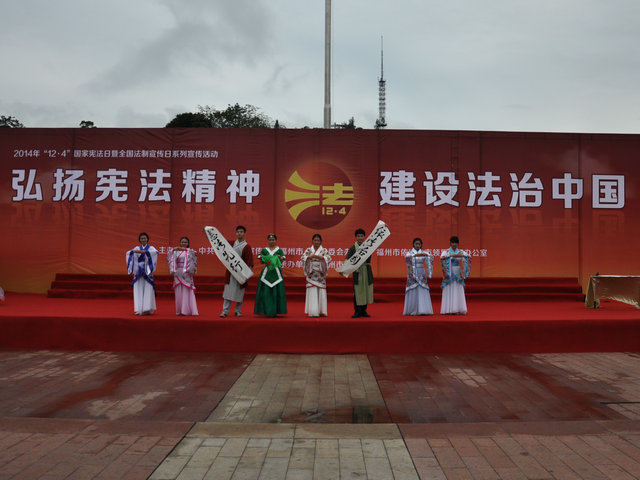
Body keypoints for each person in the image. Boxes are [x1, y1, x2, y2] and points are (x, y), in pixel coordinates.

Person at [221, 225, 254, 317]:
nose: (239, 233)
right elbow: (219, 243)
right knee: (228, 292)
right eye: (238, 232)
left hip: (241, 273)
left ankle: (238, 311)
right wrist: (210, 235)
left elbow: (249, 261)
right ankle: (225, 311)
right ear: (236, 233)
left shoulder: (247, 246)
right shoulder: (231, 244)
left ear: (244, 233)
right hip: (231, 272)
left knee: (240, 293)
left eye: (241, 232)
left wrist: (246, 274)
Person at [254, 233, 287, 317]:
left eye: (273, 240)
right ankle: (266, 310)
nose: (271, 241)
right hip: (266, 273)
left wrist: (279, 257)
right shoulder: (265, 250)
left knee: (277, 292)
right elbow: (261, 260)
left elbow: (282, 260)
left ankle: (275, 310)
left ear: (276, 240)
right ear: (267, 241)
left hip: (276, 272)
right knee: (265, 293)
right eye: (270, 240)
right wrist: (265, 258)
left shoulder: (279, 250)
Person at [126, 232, 158, 315]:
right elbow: (129, 253)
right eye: (141, 238)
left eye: (144, 238)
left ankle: (147, 309)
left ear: (147, 239)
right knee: (138, 289)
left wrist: (145, 252)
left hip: (147, 272)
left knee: (148, 289)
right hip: (138, 272)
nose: (143, 239)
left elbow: (155, 253)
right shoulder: (136, 248)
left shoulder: (151, 248)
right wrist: (134, 252)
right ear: (139, 240)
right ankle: (139, 309)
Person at [301, 233, 332, 317]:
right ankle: (313, 311)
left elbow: (329, 258)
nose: (316, 242)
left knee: (321, 291)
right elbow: (303, 257)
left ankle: (321, 311)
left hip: (320, 274)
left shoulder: (324, 250)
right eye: (315, 240)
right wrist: (309, 257)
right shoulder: (308, 250)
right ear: (312, 241)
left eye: (318, 240)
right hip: (311, 274)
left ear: (321, 241)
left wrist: (322, 258)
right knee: (312, 291)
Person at [346, 228, 374, 318]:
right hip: (357, 272)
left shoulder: (368, 246)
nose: (360, 238)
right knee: (358, 292)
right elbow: (347, 259)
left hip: (366, 270)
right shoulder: (352, 248)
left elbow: (377, 241)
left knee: (366, 291)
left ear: (364, 237)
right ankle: (357, 311)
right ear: (356, 237)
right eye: (358, 236)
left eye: (362, 236)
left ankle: (364, 311)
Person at [167, 236, 199, 316]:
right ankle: (179, 310)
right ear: (180, 243)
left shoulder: (190, 251)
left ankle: (187, 310)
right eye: (182, 242)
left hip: (186, 273)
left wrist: (185, 250)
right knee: (178, 290)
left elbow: (194, 255)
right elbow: (169, 255)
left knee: (186, 290)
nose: (184, 243)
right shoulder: (176, 251)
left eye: (185, 242)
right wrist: (173, 250)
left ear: (188, 243)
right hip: (178, 272)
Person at [440, 236, 471, 314]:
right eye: (453, 242)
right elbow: (442, 258)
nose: (454, 244)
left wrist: (464, 256)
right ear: (450, 243)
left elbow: (468, 257)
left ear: (458, 244)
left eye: (456, 243)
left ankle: (458, 309)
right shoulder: (446, 251)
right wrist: (449, 256)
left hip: (457, 271)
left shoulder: (461, 252)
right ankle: (448, 309)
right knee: (449, 288)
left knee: (458, 289)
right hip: (449, 272)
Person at [403, 238, 434, 315]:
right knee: (413, 289)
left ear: (421, 245)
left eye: (419, 244)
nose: (417, 245)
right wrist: (416, 255)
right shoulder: (409, 253)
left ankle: (423, 309)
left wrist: (427, 256)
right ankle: (412, 310)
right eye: (416, 244)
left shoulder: (424, 253)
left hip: (421, 273)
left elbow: (430, 257)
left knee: (422, 289)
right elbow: (407, 258)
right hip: (412, 273)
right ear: (413, 244)